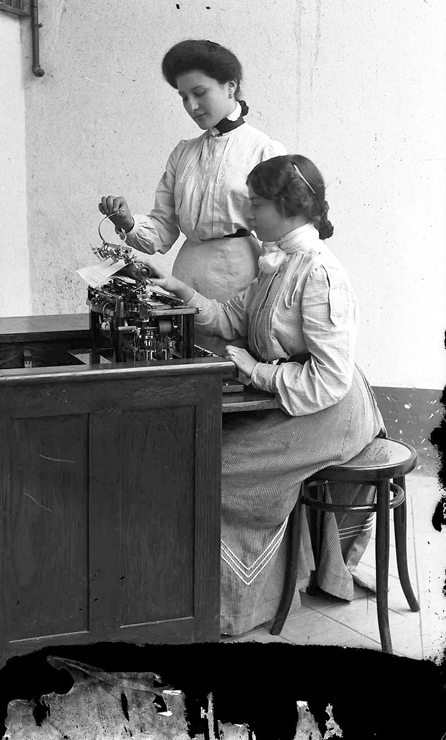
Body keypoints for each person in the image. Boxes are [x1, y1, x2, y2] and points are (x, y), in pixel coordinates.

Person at [146, 154, 386, 636]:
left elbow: (329, 379)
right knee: (202, 451)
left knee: (217, 467)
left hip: (329, 410)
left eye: (256, 204)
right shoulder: (276, 261)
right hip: (290, 399)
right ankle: (209, 593)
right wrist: (180, 291)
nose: (248, 215)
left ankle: (238, 604)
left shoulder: (319, 272)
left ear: (288, 206)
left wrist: (256, 371)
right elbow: (233, 319)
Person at [99, 39, 286, 353]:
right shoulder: (184, 153)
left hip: (239, 279)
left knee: (231, 366)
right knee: (183, 358)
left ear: (230, 87)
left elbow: (277, 243)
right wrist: (129, 222)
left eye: (200, 93)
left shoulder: (264, 151)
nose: (192, 106)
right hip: (185, 276)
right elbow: (162, 232)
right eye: (183, 97)